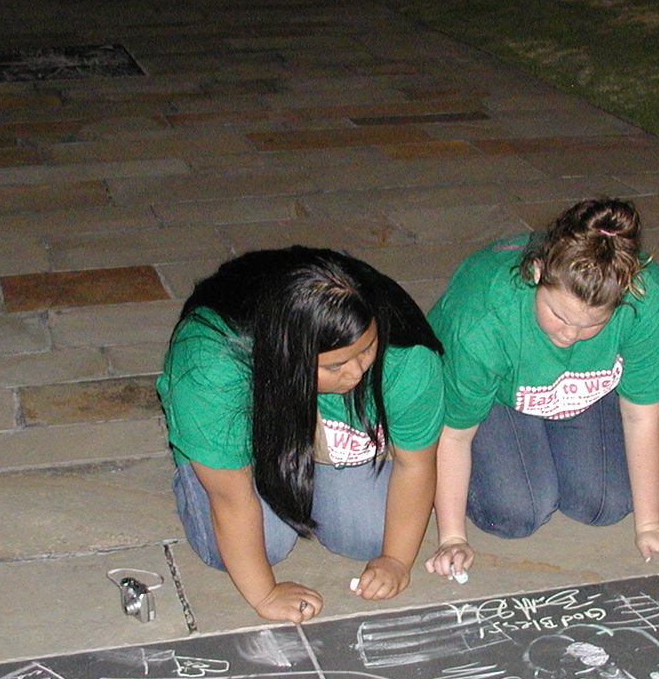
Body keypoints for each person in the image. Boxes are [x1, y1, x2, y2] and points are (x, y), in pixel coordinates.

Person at [424, 197, 659, 581]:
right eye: (559, 315)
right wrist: (451, 537)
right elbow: (454, 437)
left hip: (574, 388)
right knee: (515, 513)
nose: (570, 334)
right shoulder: (484, 314)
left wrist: (650, 525)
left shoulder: (644, 298)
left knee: (606, 505)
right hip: (495, 395)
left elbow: (641, 414)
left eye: (592, 325)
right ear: (538, 272)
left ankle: (550, 426)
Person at [157, 247, 444, 624]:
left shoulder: (406, 356)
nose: (356, 373)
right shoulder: (210, 366)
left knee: (367, 536)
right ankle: (208, 462)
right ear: (287, 356)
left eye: (367, 349)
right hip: (250, 420)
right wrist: (265, 594)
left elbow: (416, 465)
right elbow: (230, 498)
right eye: (336, 365)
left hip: (328, 423)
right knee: (263, 546)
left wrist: (396, 559)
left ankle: (314, 458)